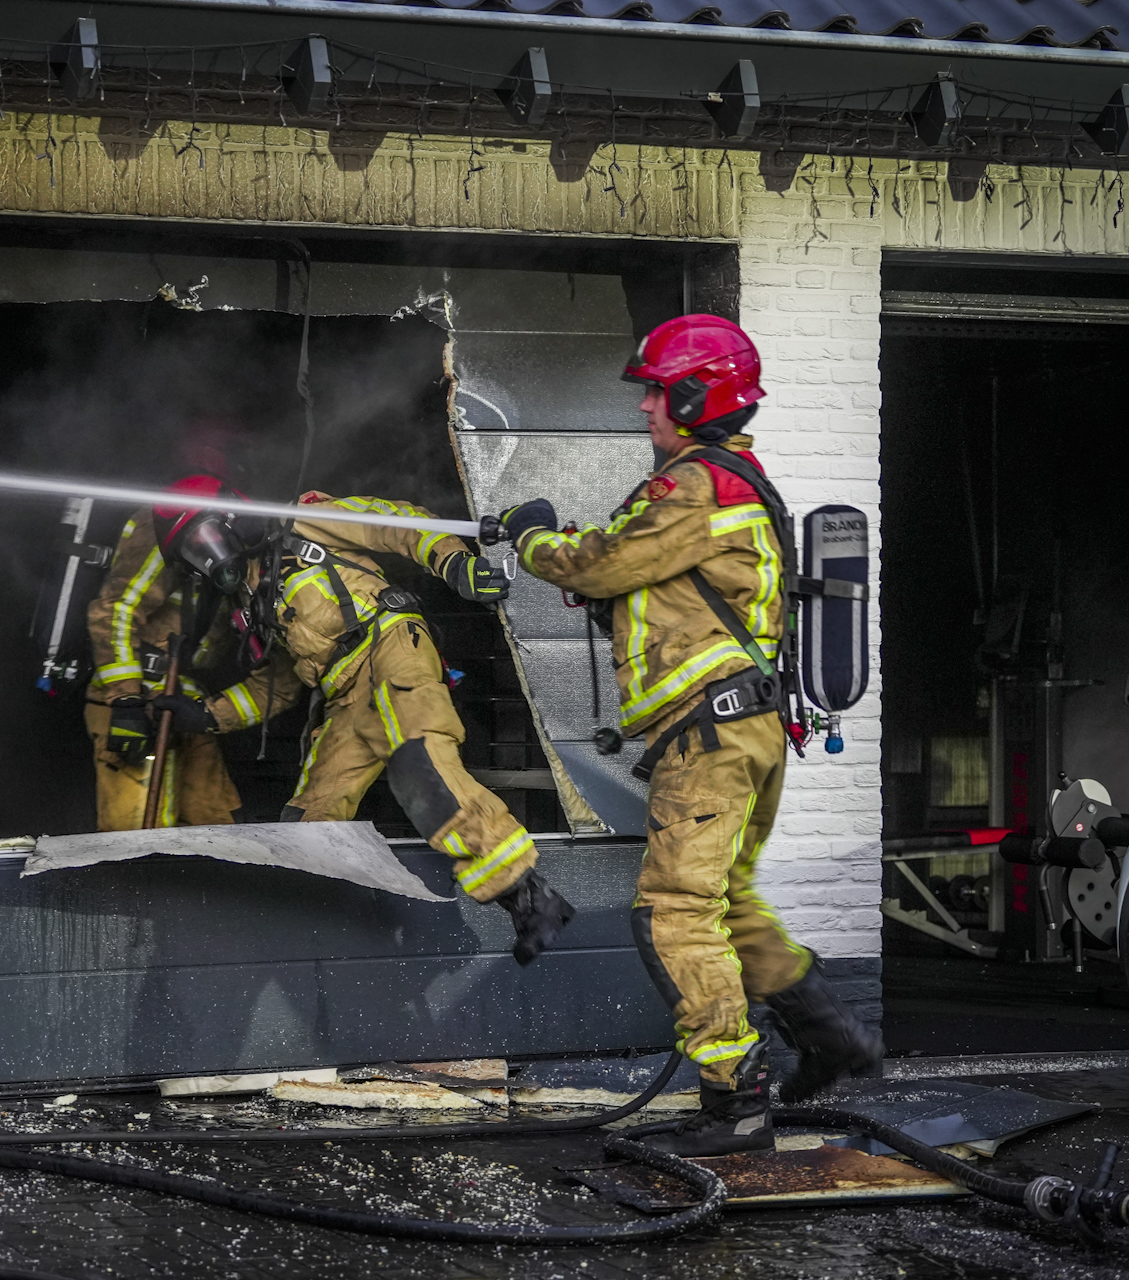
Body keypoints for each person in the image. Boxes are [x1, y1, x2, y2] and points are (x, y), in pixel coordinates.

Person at [499, 314, 880, 1154]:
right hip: (747, 730)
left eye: (655, 393)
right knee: (727, 900)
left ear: (698, 396)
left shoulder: (696, 484)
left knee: (672, 913)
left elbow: (600, 558)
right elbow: (656, 588)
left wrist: (532, 537)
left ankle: (733, 1101)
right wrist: (611, 600)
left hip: (708, 740)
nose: (645, 410)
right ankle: (830, 1034)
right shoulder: (735, 483)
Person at [153, 489, 578, 965]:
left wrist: (454, 563)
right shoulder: (254, 599)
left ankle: (529, 897)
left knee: (421, 766)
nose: (210, 557)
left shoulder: (302, 522)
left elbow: (396, 522)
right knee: (308, 821)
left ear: (231, 518)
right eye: (195, 552)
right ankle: (322, 940)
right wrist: (210, 714)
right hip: (344, 698)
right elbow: (278, 684)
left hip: (388, 645)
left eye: (206, 537)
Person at [83, 438, 250, 830]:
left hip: (184, 703)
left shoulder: (233, 532)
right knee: (136, 839)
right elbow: (115, 610)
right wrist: (125, 700)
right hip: (137, 700)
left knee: (220, 831)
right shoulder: (172, 520)